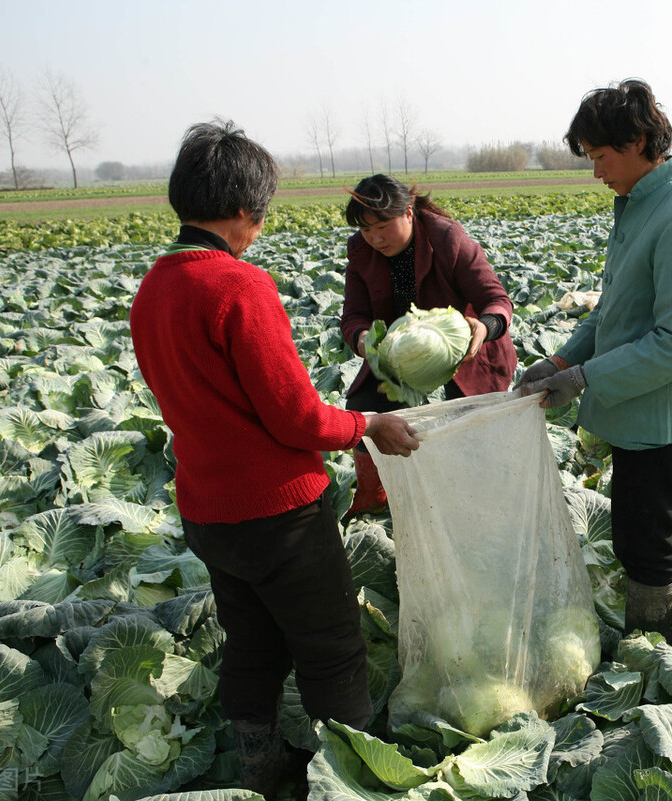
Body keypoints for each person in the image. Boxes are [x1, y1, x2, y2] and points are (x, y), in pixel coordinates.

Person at [129, 121, 420, 799]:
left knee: (252, 645)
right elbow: (295, 419)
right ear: (240, 210)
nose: (259, 226)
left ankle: (261, 768)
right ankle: (353, 779)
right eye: (258, 213)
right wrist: (369, 423)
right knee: (332, 649)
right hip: (280, 513)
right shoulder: (238, 287)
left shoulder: (152, 291)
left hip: (209, 512)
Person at [516, 79, 672, 638]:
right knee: (667, 524)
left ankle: (650, 647)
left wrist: (585, 377)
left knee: (644, 538)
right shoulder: (640, 206)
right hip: (642, 407)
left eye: (601, 156)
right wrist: (563, 361)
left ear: (639, 141)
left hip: (663, 415)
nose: (596, 171)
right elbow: (615, 311)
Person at [340, 173, 517, 515]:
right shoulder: (361, 252)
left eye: (383, 226)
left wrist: (483, 328)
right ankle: (372, 493)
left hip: (464, 353)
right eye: (365, 229)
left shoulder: (446, 238)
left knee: (469, 430)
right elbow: (353, 316)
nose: (375, 238)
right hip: (398, 355)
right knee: (362, 410)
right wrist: (363, 339)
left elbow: (496, 299)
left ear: (408, 212)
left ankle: (475, 498)